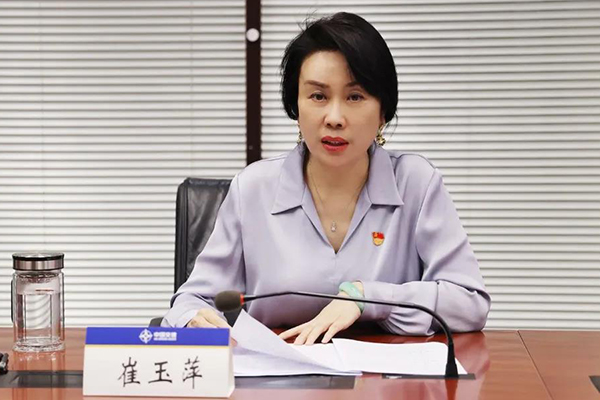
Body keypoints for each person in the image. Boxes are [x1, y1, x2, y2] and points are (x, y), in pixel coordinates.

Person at [162, 12, 491, 345]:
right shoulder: (253, 188)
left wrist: (367, 297)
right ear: (296, 106)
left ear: (383, 111)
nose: (334, 118)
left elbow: (470, 302)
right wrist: (192, 319)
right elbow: (190, 302)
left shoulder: (416, 183)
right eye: (318, 96)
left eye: (355, 96)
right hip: (278, 367)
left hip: (385, 373)